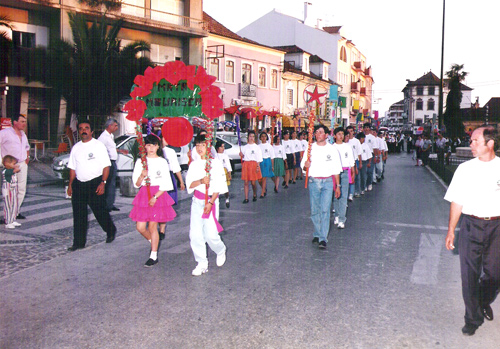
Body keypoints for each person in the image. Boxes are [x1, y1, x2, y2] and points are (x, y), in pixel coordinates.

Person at [444, 126, 500, 336]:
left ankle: (482, 300)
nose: (471, 144)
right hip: (470, 226)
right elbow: (457, 201)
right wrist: (451, 230)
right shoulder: (465, 169)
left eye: (476, 141)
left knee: (495, 274)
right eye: (471, 141)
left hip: (497, 227)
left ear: (490, 143)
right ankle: (472, 318)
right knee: (469, 275)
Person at [66, 121, 117, 251]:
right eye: (81, 129)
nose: (84, 131)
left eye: (86, 128)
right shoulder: (76, 148)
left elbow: (107, 166)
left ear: (91, 131)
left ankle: (110, 230)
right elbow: (72, 168)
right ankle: (78, 242)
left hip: (95, 183)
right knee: (78, 215)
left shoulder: (98, 146)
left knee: (100, 212)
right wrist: (70, 185)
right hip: (79, 184)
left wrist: (103, 183)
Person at [130, 134, 176, 267]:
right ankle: (153, 241)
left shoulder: (162, 161)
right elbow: (136, 184)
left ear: (158, 146)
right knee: (140, 227)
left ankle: (153, 255)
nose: (151, 148)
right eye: (148, 145)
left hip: (158, 195)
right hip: (144, 194)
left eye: (154, 145)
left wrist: (155, 197)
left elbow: (167, 183)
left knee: (152, 226)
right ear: (144, 146)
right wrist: (142, 175)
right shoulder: (141, 162)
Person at [186, 134, 228, 276]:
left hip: (210, 201)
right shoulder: (194, 164)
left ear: (208, 147)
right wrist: (201, 181)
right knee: (195, 234)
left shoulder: (215, 164)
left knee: (210, 234)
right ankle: (201, 263)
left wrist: (210, 202)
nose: (199, 148)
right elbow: (190, 185)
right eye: (197, 145)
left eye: (202, 145)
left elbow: (219, 186)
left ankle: (220, 249)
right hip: (197, 202)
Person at [301, 125, 342, 249]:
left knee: (325, 210)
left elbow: (336, 170)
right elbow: (303, 167)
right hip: (314, 182)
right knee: (315, 210)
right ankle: (317, 233)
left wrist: (338, 186)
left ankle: (322, 238)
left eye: (321, 132)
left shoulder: (332, 150)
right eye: (317, 132)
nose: (318, 134)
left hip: (328, 182)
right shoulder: (310, 149)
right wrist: (305, 166)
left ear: (326, 135)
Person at [0, 114, 30, 221]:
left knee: (21, 189)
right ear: (15, 122)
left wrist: (27, 157)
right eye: (22, 121)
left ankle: (15, 212)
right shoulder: (5, 133)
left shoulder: (23, 134)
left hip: (22, 164)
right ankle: (7, 215)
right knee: (9, 191)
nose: (24, 124)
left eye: (25, 122)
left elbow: (27, 147)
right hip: (10, 166)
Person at [158, 137, 185, 240]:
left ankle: (162, 229)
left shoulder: (170, 151)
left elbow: (176, 167)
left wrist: (181, 181)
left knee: (165, 205)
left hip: (168, 178)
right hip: (157, 179)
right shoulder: (154, 150)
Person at [332, 127, 355, 229]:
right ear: (334, 136)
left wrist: (353, 172)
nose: (340, 136)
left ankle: (342, 219)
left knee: (343, 195)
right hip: (334, 173)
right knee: (336, 195)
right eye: (338, 134)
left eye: (342, 134)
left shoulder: (347, 147)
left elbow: (351, 161)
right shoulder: (332, 147)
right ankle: (337, 215)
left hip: (345, 172)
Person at [98, 118, 120, 212]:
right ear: (109, 126)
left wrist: (120, 151)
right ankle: (105, 205)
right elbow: (99, 149)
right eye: (115, 126)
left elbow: (111, 148)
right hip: (108, 162)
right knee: (108, 184)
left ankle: (110, 204)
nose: (117, 128)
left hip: (113, 162)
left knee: (112, 184)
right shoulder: (103, 137)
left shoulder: (110, 136)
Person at [239, 130, 263, 203]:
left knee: (253, 183)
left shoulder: (257, 147)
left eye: (253, 136)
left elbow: (259, 158)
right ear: (248, 137)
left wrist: (258, 166)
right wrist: (241, 155)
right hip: (246, 164)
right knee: (246, 182)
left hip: (254, 164)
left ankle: (254, 194)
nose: (251, 138)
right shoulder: (244, 147)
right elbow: (243, 156)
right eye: (250, 136)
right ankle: (246, 198)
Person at [2, 155, 21, 229]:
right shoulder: (6, 171)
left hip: (13, 191)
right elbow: (17, 170)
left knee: (14, 205)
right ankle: (8, 221)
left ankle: (13, 219)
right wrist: (16, 166)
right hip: (7, 191)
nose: (15, 165)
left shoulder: (10, 170)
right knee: (8, 206)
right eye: (13, 163)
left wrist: (14, 165)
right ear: (7, 164)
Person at [214, 139, 232, 208]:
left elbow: (228, 165)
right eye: (221, 147)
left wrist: (229, 174)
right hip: (217, 172)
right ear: (218, 148)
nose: (223, 148)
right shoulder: (215, 156)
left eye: (223, 147)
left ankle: (227, 198)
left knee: (225, 187)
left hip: (224, 172)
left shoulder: (225, 156)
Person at [346, 126, 363, 199]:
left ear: (353, 132)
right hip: (347, 161)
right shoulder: (345, 141)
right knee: (348, 177)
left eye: (351, 131)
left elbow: (359, 153)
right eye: (348, 131)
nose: (350, 133)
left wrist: (360, 162)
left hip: (355, 160)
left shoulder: (356, 141)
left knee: (355, 176)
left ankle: (356, 191)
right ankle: (349, 193)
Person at [258, 132, 275, 197]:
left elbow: (272, 156)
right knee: (259, 179)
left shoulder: (269, 146)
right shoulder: (258, 146)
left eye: (265, 136)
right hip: (260, 161)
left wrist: (272, 165)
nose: (263, 138)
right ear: (260, 138)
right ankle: (264, 188)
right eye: (262, 136)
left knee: (264, 177)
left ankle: (262, 193)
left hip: (267, 161)